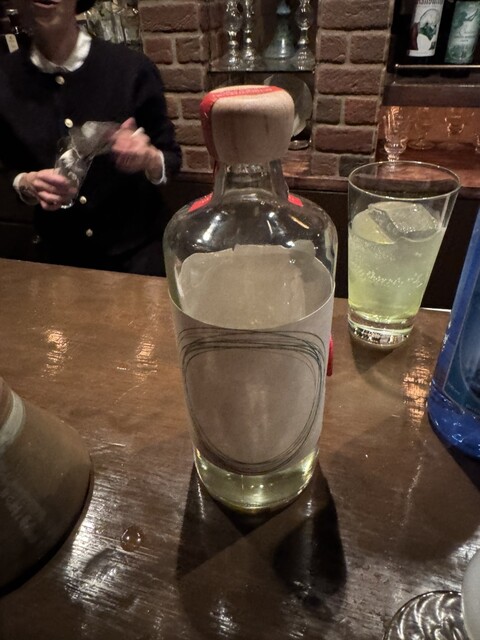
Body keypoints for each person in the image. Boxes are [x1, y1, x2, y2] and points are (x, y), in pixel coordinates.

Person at [0, 0, 182, 276]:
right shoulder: (5, 79)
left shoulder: (130, 68)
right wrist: (25, 184)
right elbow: (7, 166)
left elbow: (171, 158)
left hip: (141, 259)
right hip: (60, 263)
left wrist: (149, 158)